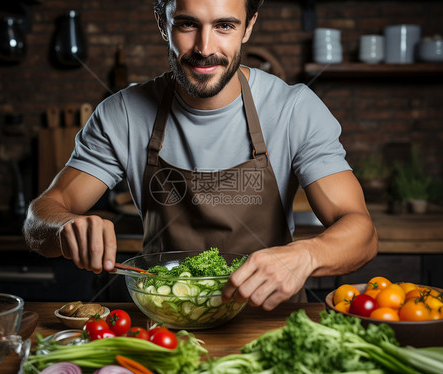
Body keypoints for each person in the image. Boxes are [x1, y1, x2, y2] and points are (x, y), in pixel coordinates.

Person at [23, 0, 378, 311]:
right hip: (165, 323)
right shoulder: (123, 114)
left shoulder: (294, 109)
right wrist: (65, 227)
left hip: (269, 323)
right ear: (163, 23)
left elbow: (361, 232)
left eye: (225, 25)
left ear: (249, 26)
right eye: (187, 24)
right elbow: (39, 218)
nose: (204, 47)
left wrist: (307, 255)